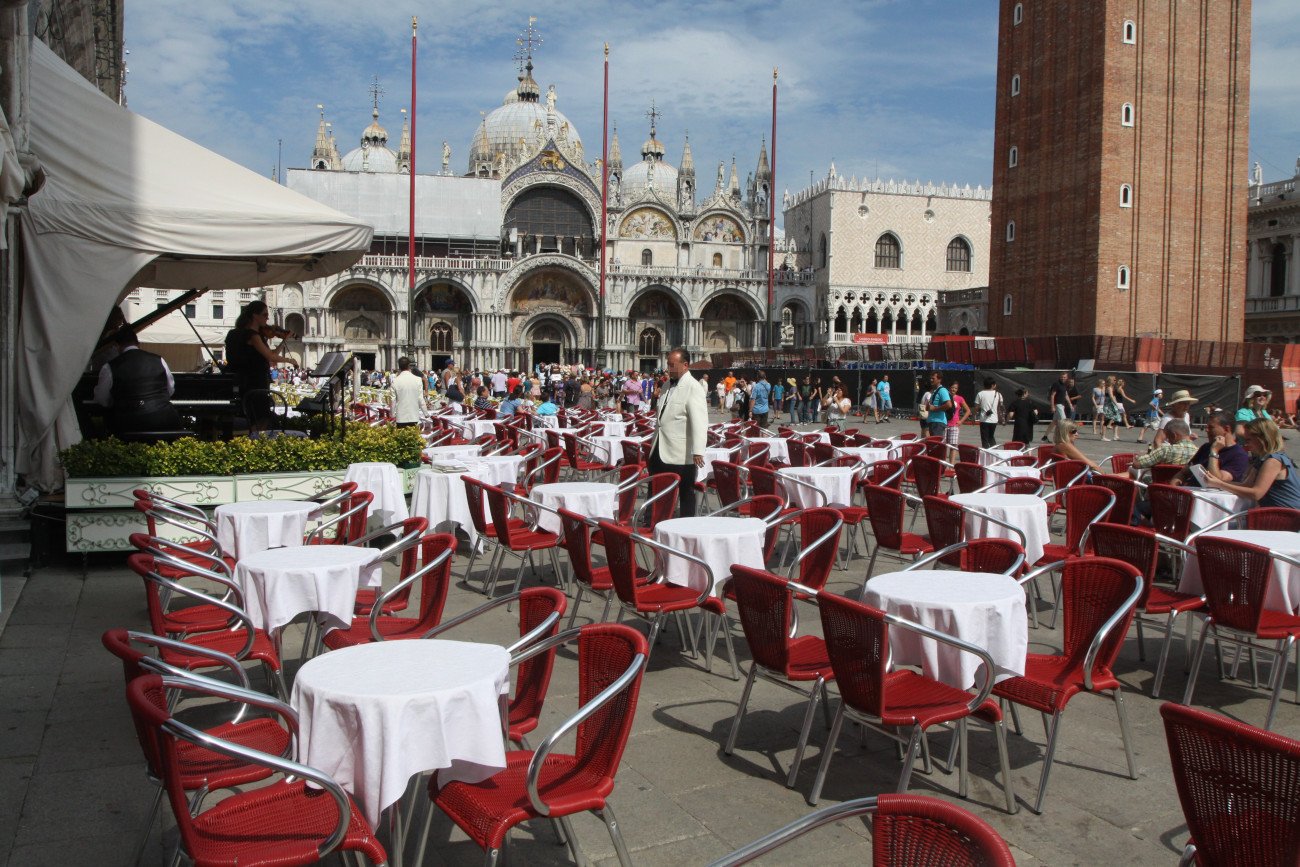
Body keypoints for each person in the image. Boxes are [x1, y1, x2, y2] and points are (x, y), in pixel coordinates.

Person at [649, 348, 709, 517]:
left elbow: (700, 421)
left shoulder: (694, 387)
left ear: (685, 365)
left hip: (680, 452)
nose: (668, 368)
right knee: (657, 490)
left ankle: (686, 527)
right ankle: (654, 521)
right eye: (668, 364)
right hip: (659, 447)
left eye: (672, 365)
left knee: (685, 493)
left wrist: (698, 450)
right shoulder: (667, 384)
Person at [93, 328, 184, 436]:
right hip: (164, 420)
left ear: (117, 346)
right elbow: (170, 389)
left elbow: (102, 400)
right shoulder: (159, 360)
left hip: (127, 424)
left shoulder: (109, 367)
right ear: (138, 343)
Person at [225, 300, 294, 433]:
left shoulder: (234, 333)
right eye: (264, 314)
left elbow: (271, 354)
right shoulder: (253, 336)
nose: (267, 318)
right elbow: (271, 357)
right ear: (254, 316)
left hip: (242, 381)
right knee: (261, 419)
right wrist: (290, 360)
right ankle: (253, 443)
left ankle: (250, 441)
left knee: (257, 418)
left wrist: (284, 340)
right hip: (254, 382)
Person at [1203, 417, 1300, 509]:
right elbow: (1247, 485)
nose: (1246, 444)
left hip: (1289, 515)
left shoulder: (1273, 461)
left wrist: (1220, 484)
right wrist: (1217, 482)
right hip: (1278, 513)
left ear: (1262, 439)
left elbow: (1256, 494)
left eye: (1248, 440)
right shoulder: (1262, 459)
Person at [1173, 410, 1248, 485]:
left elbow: (1216, 481)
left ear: (1226, 429)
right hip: (1190, 492)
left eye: (1211, 427)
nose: (1206, 430)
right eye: (1206, 427)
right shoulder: (1206, 447)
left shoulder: (1239, 455)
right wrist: (1174, 486)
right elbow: (1184, 473)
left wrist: (1214, 452)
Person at [1127, 419, 1197, 474]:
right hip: (1184, 489)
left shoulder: (1166, 450)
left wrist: (1137, 458)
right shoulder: (1198, 452)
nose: (1168, 441)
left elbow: (1137, 464)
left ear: (1173, 435)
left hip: (1162, 487)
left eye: (1168, 437)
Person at [390, 356, 425, 427]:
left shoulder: (395, 381)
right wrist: (426, 413)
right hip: (414, 415)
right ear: (409, 366)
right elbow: (420, 398)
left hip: (400, 417)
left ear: (399, 367)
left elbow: (393, 400)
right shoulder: (418, 379)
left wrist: (392, 415)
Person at [974, 378, 1003, 448]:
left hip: (984, 419)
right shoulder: (998, 394)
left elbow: (976, 407)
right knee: (991, 436)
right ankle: (995, 452)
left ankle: (986, 453)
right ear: (993, 385)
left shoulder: (980, 394)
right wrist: (1001, 418)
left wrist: (973, 417)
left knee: (984, 438)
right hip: (994, 419)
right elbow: (1000, 407)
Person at [1046, 371, 1073, 442]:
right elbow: (1052, 395)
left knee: (1054, 422)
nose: (1063, 378)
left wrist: (1070, 404)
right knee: (1064, 421)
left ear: (1067, 378)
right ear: (1059, 377)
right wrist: (1052, 406)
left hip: (1062, 405)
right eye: (1062, 377)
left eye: (1064, 377)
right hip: (1058, 405)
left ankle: (1045, 436)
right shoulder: (1056, 384)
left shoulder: (1064, 385)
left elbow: (1066, 395)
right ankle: (1064, 438)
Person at [922, 372, 952, 438]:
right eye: (930, 378)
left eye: (933, 378)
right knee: (933, 444)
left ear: (939, 379)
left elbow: (949, 405)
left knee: (936, 445)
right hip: (932, 422)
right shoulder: (934, 391)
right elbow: (928, 408)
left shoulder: (942, 390)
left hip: (938, 423)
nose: (931, 380)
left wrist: (935, 408)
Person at [945, 380, 971, 449]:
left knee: (953, 447)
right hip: (944, 423)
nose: (953, 389)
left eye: (955, 388)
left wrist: (961, 421)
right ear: (949, 387)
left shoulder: (960, 398)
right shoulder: (944, 397)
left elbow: (968, 411)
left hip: (954, 424)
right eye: (952, 387)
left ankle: (952, 460)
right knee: (942, 445)